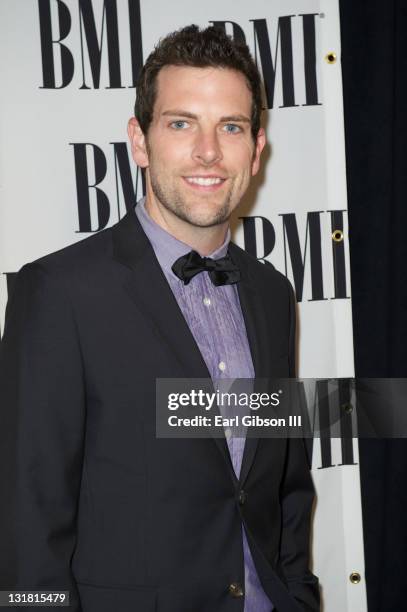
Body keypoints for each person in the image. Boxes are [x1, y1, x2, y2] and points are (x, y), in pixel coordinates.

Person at [0, 25, 319, 612]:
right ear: (139, 142)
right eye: (180, 123)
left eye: (230, 127)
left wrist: (297, 594)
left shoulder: (274, 295)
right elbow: (27, 521)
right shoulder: (59, 293)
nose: (208, 151)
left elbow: (286, 487)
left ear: (256, 147)